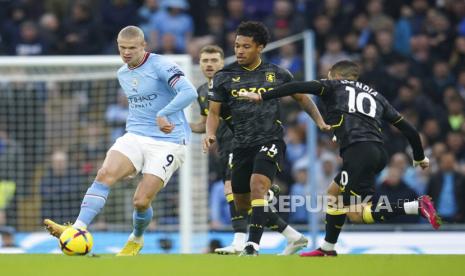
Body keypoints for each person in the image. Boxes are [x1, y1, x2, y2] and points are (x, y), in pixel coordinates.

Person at [239, 60, 442, 257]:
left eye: (328, 76)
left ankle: (415, 206)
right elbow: (409, 130)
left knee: (356, 214)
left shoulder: (333, 85)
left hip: (359, 153)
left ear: (336, 75)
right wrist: (419, 157)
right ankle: (327, 247)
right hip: (377, 152)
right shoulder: (377, 97)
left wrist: (262, 96)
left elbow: (296, 86)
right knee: (333, 193)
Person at [43, 25, 197, 256]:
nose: (126, 53)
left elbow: (189, 93)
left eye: (132, 48)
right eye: (122, 48)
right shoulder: (122, 73)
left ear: (144, 46)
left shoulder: (162, 65)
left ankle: (136, 238)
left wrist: (163, 113)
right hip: (135, 135)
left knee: (141, 201)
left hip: (169, 140)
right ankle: (76, 229)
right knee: (104, 174)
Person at [204, 21, 330, 256]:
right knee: (243, 202)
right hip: (240, 145)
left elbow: (303, 99)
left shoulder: (277, 74)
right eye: (236, 46)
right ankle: (293, 236)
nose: (239, 51)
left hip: (270, 140)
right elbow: (213, 112)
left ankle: (252, 245)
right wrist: (210, 134)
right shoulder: (223, 77)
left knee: (257, 186)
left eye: (245, 46)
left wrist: (320, 121)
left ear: (260, 47)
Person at [190, 45, 247, 254]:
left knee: (231, 189)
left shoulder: (232, 83)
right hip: (223, 146)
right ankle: (291, 235)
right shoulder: (202, 92)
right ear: (200, 64)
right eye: (205, 61)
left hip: (239, 142)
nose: (209, 64)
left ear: (222, 63)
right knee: (246, 196)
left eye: (214, 60)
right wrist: (180, 126)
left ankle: (239, 240)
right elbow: (204, 124)